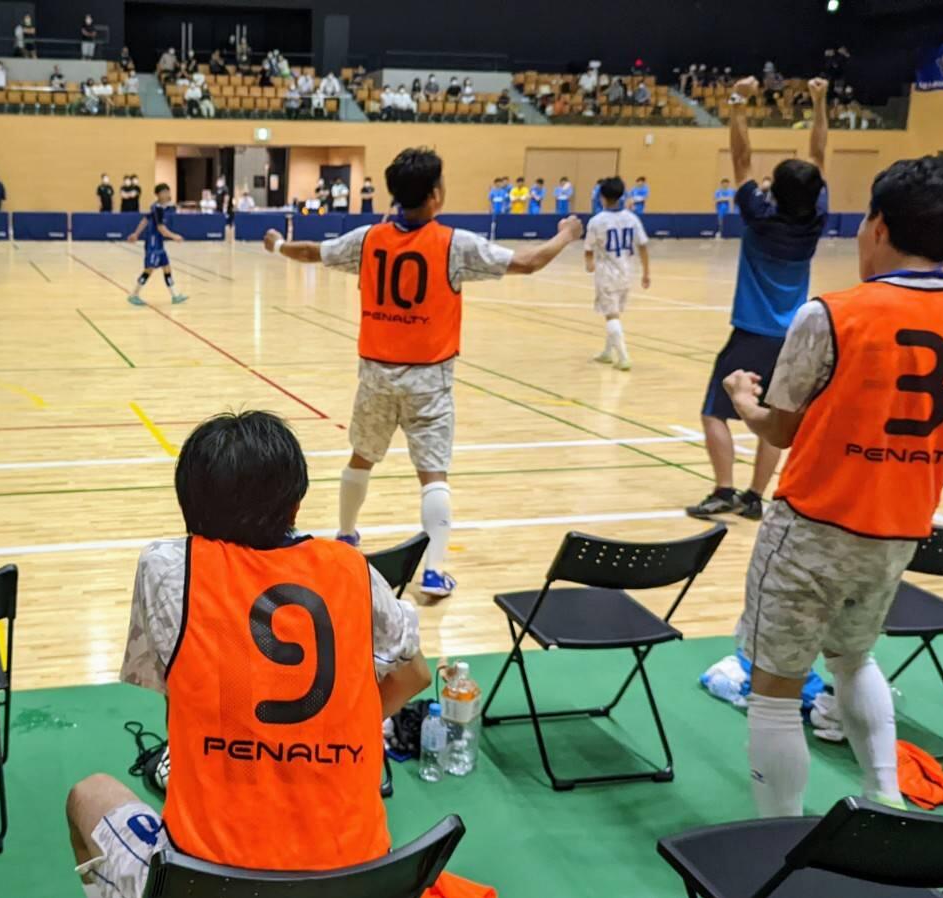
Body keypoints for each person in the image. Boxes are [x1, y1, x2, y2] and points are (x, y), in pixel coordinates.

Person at [65, 411, 429, 898]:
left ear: (188, 506)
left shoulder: (170, 568)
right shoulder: (351, 568)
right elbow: (416, 675)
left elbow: (179, 695)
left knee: (88, 795)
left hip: (206, 886)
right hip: (358, 883)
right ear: (296, 504)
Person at [725, 156, 943, 820]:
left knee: (774, 694)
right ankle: (886, 799)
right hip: (899, 531)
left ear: (876, 224)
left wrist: (743, 401)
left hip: (813, 525)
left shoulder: (833, 314)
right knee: (854, 658)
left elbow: (779, 430)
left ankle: (776, 836)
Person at [262, 147, 583, 596]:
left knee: (361, 457)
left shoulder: (368, 238)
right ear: (435, 195)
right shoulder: (454, 244)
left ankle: (348, 535)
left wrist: (277, 244)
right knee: (433, 474)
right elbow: (528, 262)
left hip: (376, 373)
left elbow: (312, 252)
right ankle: (433, 571)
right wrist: (566, 233)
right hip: (429, 379)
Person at [688, 77, 830, 521]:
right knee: (774, 415)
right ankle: (755, 496)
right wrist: (820, 101)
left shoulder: (759, 217)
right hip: (794, 338)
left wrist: (737, 103)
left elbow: (741, 157)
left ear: (772, 192)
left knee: (715, 411)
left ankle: (724, 489)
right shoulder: (816, 219)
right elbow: (820, 157)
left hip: (752, 334)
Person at [584, 177, 650, 372]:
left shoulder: (597, 221)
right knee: (613, 312)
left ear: (601, 196)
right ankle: (607, 352)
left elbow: (589, 248)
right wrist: (646, 272)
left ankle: (623, 357)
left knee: (611, 315)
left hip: (607, 273)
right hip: (627, 271)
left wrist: (589, 264)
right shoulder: (632, 218)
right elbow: (643, 246)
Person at [124, 184, 188, 306]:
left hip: (159, 243)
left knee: (166, 267)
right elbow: (161, 228)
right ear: (158, 195)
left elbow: (145, 220)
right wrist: (175, 236)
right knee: (149, 269)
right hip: (153, 243)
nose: (167, 195)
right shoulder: (157, 209)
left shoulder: (160, 207)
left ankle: (175, 295)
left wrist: (136, 233)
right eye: (164, 192)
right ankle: (134, 295)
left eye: (168, 192)